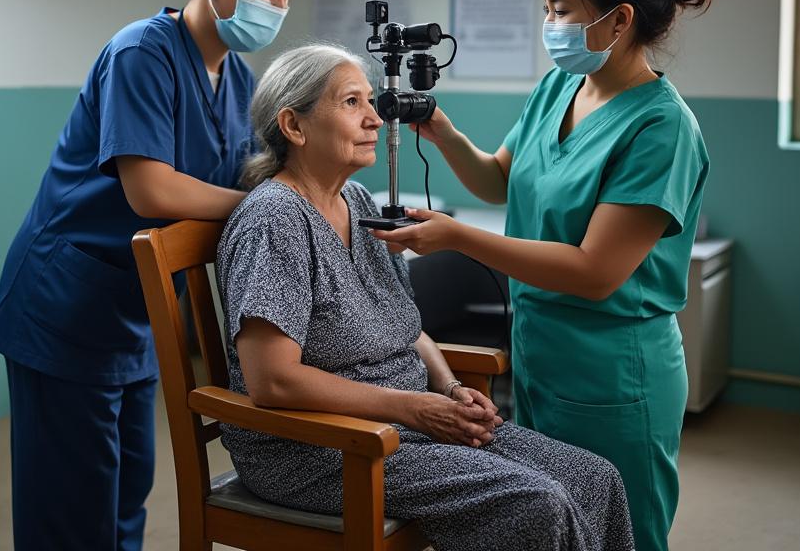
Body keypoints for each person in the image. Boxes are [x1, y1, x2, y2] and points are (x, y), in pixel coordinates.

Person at [372, 0, 714, 551]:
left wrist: (458, 238)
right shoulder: (560, 88)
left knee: (620, 531)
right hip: (538, 350)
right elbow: (499, 180)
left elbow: (594, 270)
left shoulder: (662, 127)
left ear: (619, 20)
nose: (549, 24)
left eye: (561, 11)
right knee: (552, 527)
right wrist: (444, 132)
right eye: (546, 10)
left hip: (614, 369)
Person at [217, 45, 635, 551]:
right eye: (352, 103)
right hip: (320, 445)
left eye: (371, 101)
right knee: (535, 501)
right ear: (294, 125)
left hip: (404, 420)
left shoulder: (357, 200)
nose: (375, 118)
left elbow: (406, 326)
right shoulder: (274, 219)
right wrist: (415, 408)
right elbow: (272, 381)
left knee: (595, 477)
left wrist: (451, 387)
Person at [0, 0, 297, 550]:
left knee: (125, 496)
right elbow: (151, 189)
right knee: (72, 509)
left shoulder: (237, 78)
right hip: (65, 305)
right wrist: (264, 207)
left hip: (137, 316)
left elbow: (247, 178)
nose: (278, 1)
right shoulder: (141, 52)